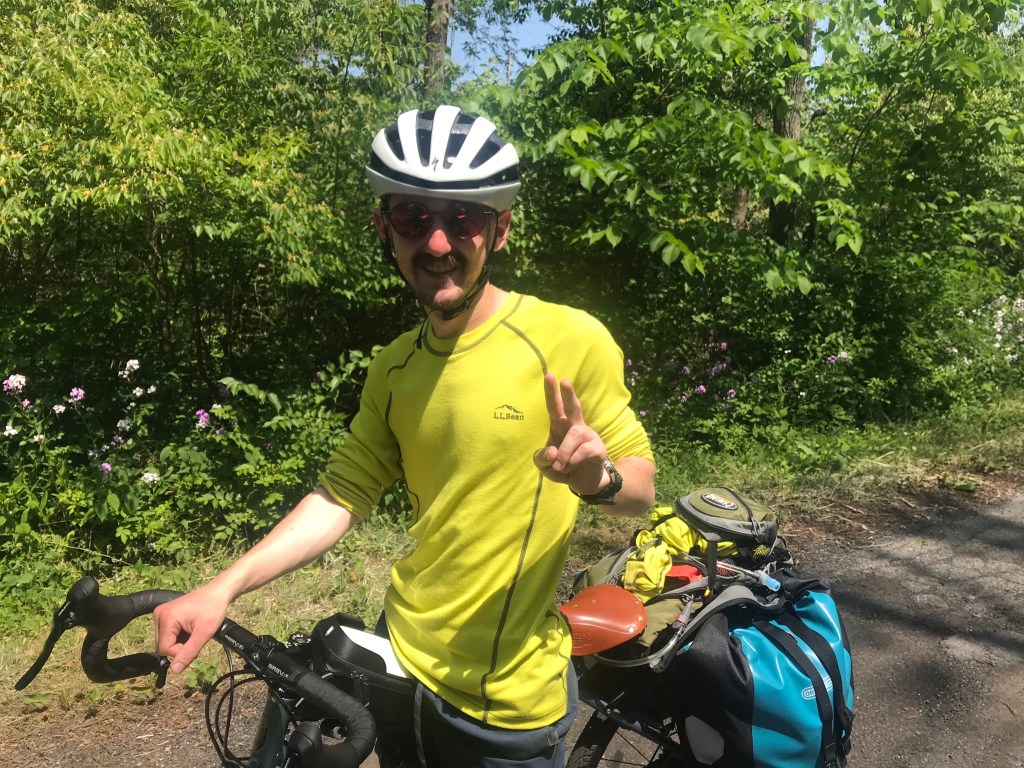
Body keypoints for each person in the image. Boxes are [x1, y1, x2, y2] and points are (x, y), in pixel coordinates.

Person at [154, 104, 656, 767]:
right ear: (384, 229)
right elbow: (339, 497)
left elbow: (641, 490)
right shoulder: (393, 367)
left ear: (500, 230)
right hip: (396, 657)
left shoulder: (568, 339)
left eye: (464, 218)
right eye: (415, 218)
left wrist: (596, 478)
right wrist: (221, 586)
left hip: (504, 701)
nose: (439, 243)